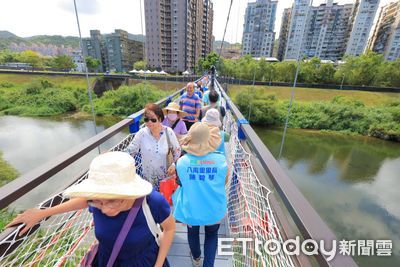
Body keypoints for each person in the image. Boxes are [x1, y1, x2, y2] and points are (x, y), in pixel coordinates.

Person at [7, 151, 176, 267]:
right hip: (107, 260)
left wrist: (159, 264)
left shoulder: (152, 201)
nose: (103, 209)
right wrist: (42, 213)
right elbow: (84, 201)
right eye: (97, 201)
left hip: (143, 262)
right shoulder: (96, 200)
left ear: (129, 193)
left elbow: (169, 229)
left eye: (111, 201)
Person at [172, 123, 229, 267]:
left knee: (192, 233)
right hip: (213, 208)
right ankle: (208, 265)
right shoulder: (221, 161)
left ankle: (196, 258)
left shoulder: (182, 162)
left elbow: (181, 182)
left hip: (191, 207)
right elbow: (223, 182)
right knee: (211, 235)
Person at [127, 103, 181, 191]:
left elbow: (177, 151)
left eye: (153, 119)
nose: (149, 122)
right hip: (148, 181)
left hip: (166, 179)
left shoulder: (169, 132)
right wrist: (114, 156)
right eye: (146, 119)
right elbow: (130, 151)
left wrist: (174, 165)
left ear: (160, 119)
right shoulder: (142, 134)